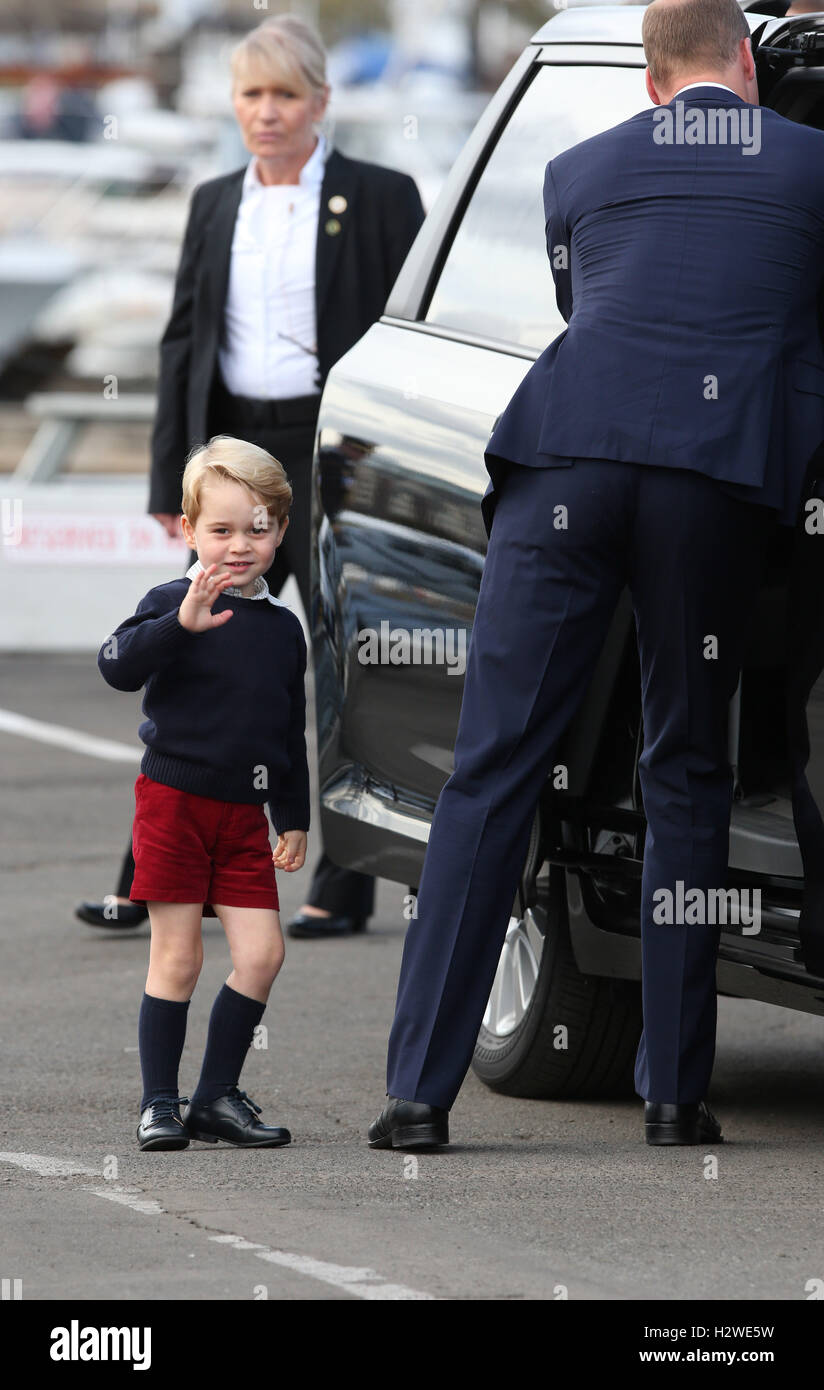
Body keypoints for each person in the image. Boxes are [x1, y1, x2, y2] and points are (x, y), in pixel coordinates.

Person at [369, 0, 824, 1151]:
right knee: (682, 763)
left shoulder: (576, 168)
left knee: (491, 768)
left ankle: (418, 1094)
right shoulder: (811, 166)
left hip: (561, 459)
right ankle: (672, 1094)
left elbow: (588, 310)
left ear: (650, 81)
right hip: (704, 483)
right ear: (745, 69)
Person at [76, 12, 425, 941]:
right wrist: (171, 481)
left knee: (336, 657)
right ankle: (150, 873)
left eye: (284, 95)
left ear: (320, 100)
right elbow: (184, 338)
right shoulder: (214, 201)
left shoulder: (382, 196)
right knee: (193, 644)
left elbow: (407, 336)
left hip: (334, 447)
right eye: (251, 96)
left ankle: (342, 881)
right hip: (235, 450)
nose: (266, 113)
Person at [98, 436, 309, 1150]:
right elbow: (117, 666)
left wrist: (294, 818)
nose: (239, 545)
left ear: (282, 530)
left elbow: (287, 732)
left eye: (258, 528)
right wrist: (178, 628)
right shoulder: (167, 604)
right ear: (189, 531)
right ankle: (160, 1102)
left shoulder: (283, 631)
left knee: (262, 956)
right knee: (179, 957)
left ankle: (215, 1096)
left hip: (245, 816)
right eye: (221, 530)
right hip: (173, 806)